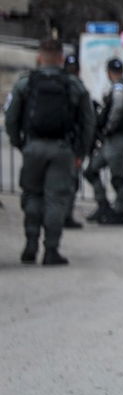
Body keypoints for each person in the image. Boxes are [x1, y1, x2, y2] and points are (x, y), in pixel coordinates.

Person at [3, 39, 95, 265]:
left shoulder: (25, 84)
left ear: (39, 57)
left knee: (32, 194)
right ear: (61, 58)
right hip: (62, 149)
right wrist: (80, 151)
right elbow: (88, 122)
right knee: (56, 199)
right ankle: (51, 250)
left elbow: (11, 117)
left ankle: (30, 244)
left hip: (33, 147)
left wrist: (20, 143)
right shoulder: (74, 85)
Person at [85, 57, 123, 225]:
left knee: (117, 176)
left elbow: (116, 111)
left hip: (117, 138)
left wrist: (107, 129)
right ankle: (103, 205)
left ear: (109, 72)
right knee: (91, 170)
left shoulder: (119, 89)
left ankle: (120, 211)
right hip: (116, 139)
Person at [61, 52, 88, 230]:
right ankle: (64, 217)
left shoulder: (41, 83)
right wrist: (83, 150)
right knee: (70, 184)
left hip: (39, 144)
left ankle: (32, 239)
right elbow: (88, 122)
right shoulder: (79, 88)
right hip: (69, 146)